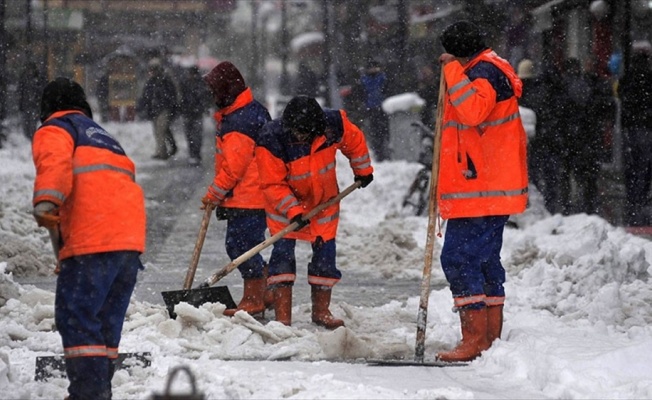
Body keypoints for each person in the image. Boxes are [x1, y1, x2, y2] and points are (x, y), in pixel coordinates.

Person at [31, 77, 146, 399]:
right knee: (105, 324)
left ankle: (89, 394)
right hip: (128, 242)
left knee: (77, 319)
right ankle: (98, 390)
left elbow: (54, 163)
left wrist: (45, 201)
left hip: (94, 238)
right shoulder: (104, 138)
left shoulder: (57, 128)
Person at [435, 21, 528, 362]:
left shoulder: (483, 73)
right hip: (487, 186)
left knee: (458, 259)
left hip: (481, 189)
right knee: (485, 260)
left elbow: (473, 113)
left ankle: (474, 339)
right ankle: (488, 338)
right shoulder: (488, 68)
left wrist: (451, 70)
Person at [255, 96, 374, 329]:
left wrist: (363, 170)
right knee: (282, 259)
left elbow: (354, 141)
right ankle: (282, 316)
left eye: (306, 133)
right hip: (284, 209)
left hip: (323, 205)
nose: (301, 137)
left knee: (325, 258)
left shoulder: (332, 126)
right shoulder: (272, 139)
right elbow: (272, 184)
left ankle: (321, 311)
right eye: (298, 132)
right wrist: (293, 210)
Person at [201, 61, 273, 316]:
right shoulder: (250, 110)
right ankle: (267, 289)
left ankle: (254, 298)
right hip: (256, 194)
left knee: (240, 246)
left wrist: (213, 195)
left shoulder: (239, 123)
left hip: (249, 196)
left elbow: (233, 169)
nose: (212, 97)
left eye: (214, 91)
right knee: (249, 244)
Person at [619, 50, 652, 226]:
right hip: (645, 127)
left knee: (632, 166)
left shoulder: (628, 79)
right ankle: (639, 201)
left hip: (631, 127)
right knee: (644, 167)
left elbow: (623, 100)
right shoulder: (647, 79)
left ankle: (633, 202)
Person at [137, 58, 179, 159]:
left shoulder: (165, 79)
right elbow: (146, 95)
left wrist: (170, 105)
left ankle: (162, 152)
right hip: (154, 109)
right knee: (159, 131)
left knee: (161, 130)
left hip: (164, 108)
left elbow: (172, 94)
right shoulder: (151, 81)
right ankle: (170, 147)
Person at [179, 66, 212, 165]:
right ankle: (192, 154)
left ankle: (196, 154)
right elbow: (182, 98)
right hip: (188, 113)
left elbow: (205, 98)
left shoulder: (200, 84)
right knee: (189, 135)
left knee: (196, 136)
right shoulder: (185, 84)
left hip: (196, 114)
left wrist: (204, 108)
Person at [360, 60, 391, 161]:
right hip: (372, 109)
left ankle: (385, 153)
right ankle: (379, 153)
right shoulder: (365, 80)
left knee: (384, 131)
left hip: (382, 108)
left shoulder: (382, 78)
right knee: (376, 132)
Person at [18, 60, 47, 140]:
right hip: (28, 106)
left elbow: (41, 92)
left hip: (34, 106)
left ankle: (33, 138)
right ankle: (31, 138)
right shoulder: (25, 79)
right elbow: (21, 93)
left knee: (32, 124)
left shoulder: (38, 79)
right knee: (27, 125)